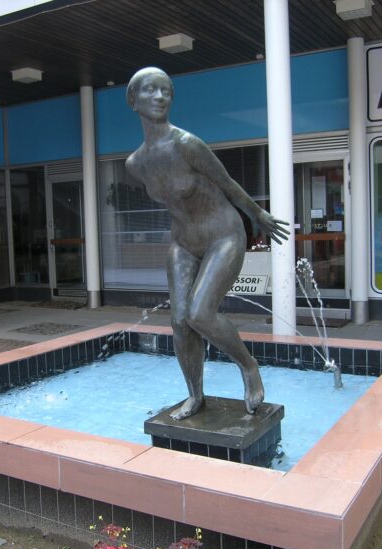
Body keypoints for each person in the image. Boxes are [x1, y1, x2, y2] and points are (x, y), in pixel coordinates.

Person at [125, 67, 291, 420]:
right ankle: (195, 395)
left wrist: (259, 215)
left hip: (223, 234)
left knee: (201, 313)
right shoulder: (135, 164)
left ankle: (247, 366)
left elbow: (227, 184)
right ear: (133, 101)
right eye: (150, 91)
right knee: (180, 321)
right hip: (184, 242)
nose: (159, 97)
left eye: (165, 91)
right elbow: (174, 202)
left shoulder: (187, 144)